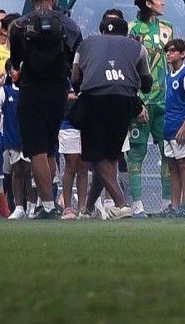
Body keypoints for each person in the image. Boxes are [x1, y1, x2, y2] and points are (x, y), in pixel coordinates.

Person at [8, 0, 82, 219]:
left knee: (36, 149)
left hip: (30, 90)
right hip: (58, 91)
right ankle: (46, 201)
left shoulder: (19, 25)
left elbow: (16, 60)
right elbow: (76, 56)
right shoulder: (68, 24)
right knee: (50, 148)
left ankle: (48, 206)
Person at [71, 14, 152, 220]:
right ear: (125, 32)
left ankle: (121, 204)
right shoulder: (137, 47)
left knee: (97, 155)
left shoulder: (85, 44)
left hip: (94, 97)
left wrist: (82, 91)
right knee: (107, 156)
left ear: (101, 31)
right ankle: (89, 209)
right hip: (125, 98)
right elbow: (147, 84)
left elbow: (75, 78)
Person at [127, 0, 175, 217]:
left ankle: (167, 203)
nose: (162, 2)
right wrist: (136, 100)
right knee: (137, 152)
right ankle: (137, 204)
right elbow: (129, 65)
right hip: (142, 101)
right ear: (148, 3)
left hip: (164, 101)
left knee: (168, 152)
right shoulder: (132, 29)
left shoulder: (168, 28)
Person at [159, 38, 185, 217]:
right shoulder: (169, 75)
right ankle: (174, 206)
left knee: (184, 164)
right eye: (167, 51)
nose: (168, 54)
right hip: (169, 128)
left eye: (172, 51)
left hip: (181, 129)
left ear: (183, 54)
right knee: (172, 166)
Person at [0, 61, 31, 219]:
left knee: (29, 172)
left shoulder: (30, 88)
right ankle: (19, 207)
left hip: (29, 139)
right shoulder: (6, 91)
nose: (17, 72)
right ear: (8, 72)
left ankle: (32, 205)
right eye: (14, 69)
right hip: (13, 138)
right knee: (17, 171)